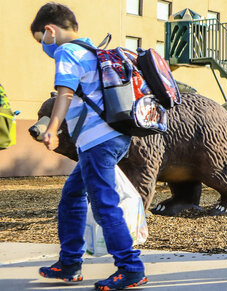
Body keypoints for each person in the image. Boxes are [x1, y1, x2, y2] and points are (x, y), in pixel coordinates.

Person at [31, 3, 148, 290]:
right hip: (111, 138)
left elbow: (65, 92)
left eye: (41, 40)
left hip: (99, 141)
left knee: (104, 204)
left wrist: (52, 128)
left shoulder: (67, 51)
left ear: (50, 30)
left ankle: (131, 268)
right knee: (72, 197)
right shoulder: (90, 50)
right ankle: (70, 263)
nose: (43, 46)